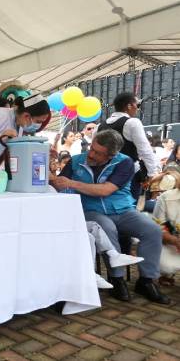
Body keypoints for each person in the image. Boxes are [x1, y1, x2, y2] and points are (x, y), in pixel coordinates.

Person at [51, 129, 168, 304]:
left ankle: (146, 280)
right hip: (91, 211)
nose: (90, 154)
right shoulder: (76, 161)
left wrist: (73, 183)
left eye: (97, 153)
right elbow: (60, 185)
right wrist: (48, 170)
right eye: (91, 148)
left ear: (111, 155)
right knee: (107, 227)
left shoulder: (124, 163)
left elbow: (106, 190)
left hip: (124, 211)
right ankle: (117, 278)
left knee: (152, 230)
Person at [96, 92, 159, 200]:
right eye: (137, 105)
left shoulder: (99, 126)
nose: (137, 108)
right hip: (128, 174)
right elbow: (145, 150)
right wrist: (153, 173)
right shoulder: (132, 123)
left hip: (104, 173)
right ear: (129, 106)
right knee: (128, 207)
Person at [151, 171, 180, 286]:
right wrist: (175, 241)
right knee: (166, 266)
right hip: (171, 242)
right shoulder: (166, 197)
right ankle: (166, 274)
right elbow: (158, 226)